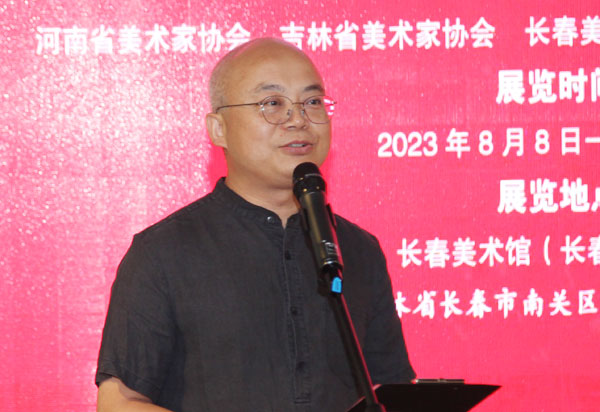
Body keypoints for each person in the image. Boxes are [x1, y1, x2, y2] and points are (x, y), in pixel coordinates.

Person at [96, 37, 415, 412]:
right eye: (273, 103)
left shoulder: (357, 249)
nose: (298, 119)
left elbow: (389, 389)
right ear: (218, 129)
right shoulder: (162, 252)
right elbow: (119, 402)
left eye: (313, 102)